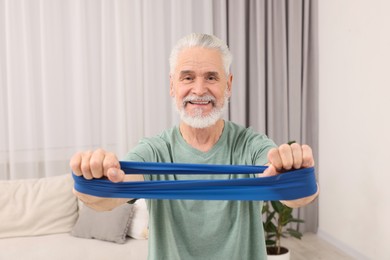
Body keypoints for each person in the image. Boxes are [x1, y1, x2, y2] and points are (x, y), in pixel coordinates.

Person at [70, 33, 319, 260]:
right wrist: (90, 178)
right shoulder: (154, 151)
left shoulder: (249, 144)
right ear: (172, 86)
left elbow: (298, 195)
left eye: (211, 77)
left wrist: (293, 170)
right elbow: (105, 198)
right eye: (187, 77)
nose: (199, 90)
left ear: (228, 85)